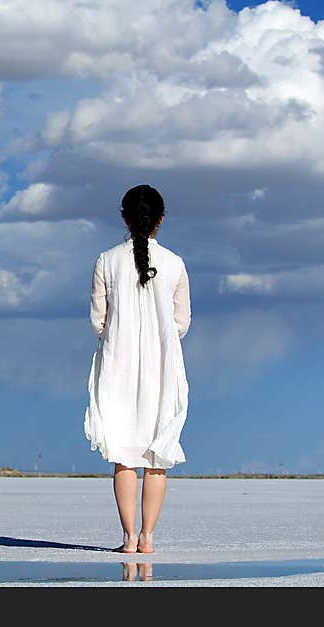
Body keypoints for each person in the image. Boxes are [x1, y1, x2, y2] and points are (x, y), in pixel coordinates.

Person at [83, 184, 191, 554]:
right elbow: (181, 323)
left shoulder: (106, 260)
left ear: (125, 218)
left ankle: (129, 538)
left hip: (118, 366)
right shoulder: (175, 263)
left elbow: (99, 322)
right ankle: (147, 538)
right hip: (162, 367)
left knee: (124, 455)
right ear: (160, 219)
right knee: (156, 456)